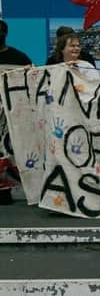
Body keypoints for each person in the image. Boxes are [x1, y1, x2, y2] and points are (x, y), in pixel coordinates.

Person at [0, 20, 31, 205]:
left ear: (5, 33)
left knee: (6, 153)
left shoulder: (20, 58)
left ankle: (4, 190)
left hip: (10, 116)